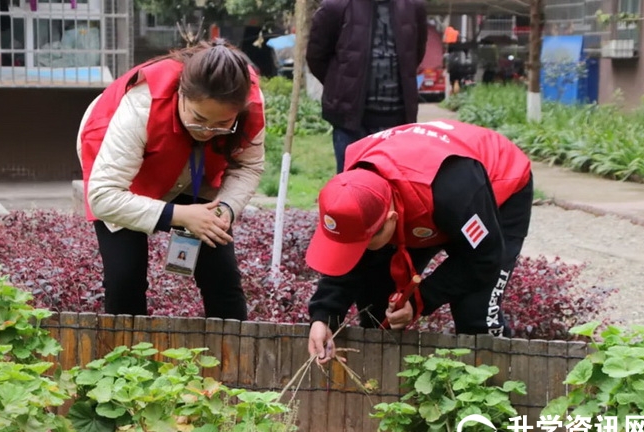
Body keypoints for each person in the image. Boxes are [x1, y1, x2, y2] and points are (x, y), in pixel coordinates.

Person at [305, 120, 533, 363]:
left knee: (475, 312)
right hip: (421, 194)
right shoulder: (355, 186)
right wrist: (324, 316)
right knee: (380, 307)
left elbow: (484, 258)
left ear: (391, 220)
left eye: (363, 242)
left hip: (492, 188)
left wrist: (419, 301)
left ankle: (491, 390)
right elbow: (347, 259)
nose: (358, 251)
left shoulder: (454, 192)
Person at [76, 39, 265, 319]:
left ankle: (232, 359)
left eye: (222, 124)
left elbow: (247, 167)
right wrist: (179, 215)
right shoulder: (142, 103)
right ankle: (124, 360)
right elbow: (104, 196)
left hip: (196, 169)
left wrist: (225, 209)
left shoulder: (249, 102)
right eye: (199, 118)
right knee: (125, 278)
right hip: (124, 173)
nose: (207, 131)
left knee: (222, 277)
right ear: (181, 94)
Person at [306, 0, 428, 173]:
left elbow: (415, 53)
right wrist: (342, 85)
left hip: (398, 122)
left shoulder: (414, 6)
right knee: (352, 190)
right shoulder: (336, 6)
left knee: (394, 191)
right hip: (351, 124)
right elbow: (317, 56)